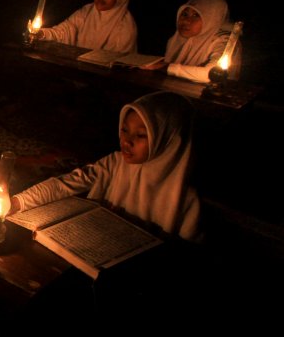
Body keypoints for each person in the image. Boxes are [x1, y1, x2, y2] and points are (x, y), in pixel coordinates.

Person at [10, 91, 201, 241]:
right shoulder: (115, 163)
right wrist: (17, 202)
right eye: (124, 130)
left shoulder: (187, 201)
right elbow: (64, 184)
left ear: (169, 140)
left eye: (141, 135)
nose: (127, 141)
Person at [142, 0, 240, 84]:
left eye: (196, 15)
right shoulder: (177, 39)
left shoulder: (224, 42)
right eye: (184, 14)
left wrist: (165, 67)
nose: (186, 21)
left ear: (212, 18)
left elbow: (212, 74)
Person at [35, 0, 137, 54]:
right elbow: (64, 31)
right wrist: (41, 33)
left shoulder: (126, 26)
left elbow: (122, 62)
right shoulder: (86, 12)